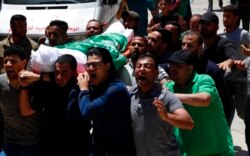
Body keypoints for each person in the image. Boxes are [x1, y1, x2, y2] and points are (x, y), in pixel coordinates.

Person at [165, 50, 234, 156]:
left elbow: (205, 99)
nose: (173, 68)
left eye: (178, 65)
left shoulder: (204, 80)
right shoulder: (169, 87)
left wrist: (172, 96)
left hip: (216, 152)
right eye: (171, 65)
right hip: (186, 152)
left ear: (190, 68)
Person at [19, 54, 91, 156]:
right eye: (57, 72)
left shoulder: (80, 88)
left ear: (73, 72)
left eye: (64, 72)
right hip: (51, 143)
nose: (59, 77)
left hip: (75, 145)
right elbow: (36, 106)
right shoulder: (47, 86)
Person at [68, 47, 136, 156]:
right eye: (88, 65)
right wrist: (77, 89)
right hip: (98, 149)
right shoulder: (94, 86)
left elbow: (87, 113)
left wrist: (84, 90)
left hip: (118, 151)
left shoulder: (116, 89)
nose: (90, 68)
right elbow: (73, 114)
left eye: (96, 64)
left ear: (107, 66)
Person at [130, 53, 194, 156]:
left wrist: (166, 116)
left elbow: (189, 123)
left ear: (156, 73)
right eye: (138, 66)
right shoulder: (131, 94)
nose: (141, 69)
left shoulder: (165, 96)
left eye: (147, 66)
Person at [182, 30, 234, 127]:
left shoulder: (211, 70)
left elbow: (225, 102)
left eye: (189, 45)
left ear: (200, 48)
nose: (185, 48)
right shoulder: (179, 66)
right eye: (183, 44)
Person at [0, 45, 42, 156]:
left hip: (34, 143)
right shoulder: (1, 83)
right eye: (6, 61)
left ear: (24, 63)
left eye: (13, 61)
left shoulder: (35, 81)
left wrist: (38, 78)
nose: (8, 65)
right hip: (10, 144)